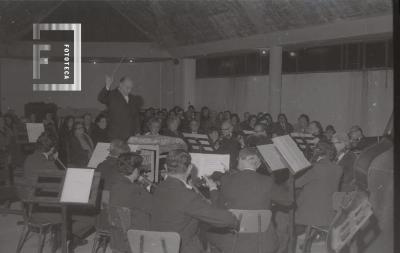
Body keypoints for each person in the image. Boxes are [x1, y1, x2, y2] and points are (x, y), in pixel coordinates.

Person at [150, 149, 238, 253]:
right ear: (190, 168)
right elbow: (226, 220)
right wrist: (235, 217)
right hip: (180, 248)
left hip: (156, 246)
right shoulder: (187, 195)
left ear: (165, 167)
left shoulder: (159, 187)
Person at [207, 148, 292, 253]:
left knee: (207, 230)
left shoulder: (227, 180)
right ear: (258, 164)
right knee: (283, 229)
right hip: (262, 240)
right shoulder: (268, 181)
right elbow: (288, 201)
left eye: (238, 159)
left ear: (242, 160)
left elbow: (217, 208)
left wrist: (213, 189)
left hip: (233, 240)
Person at [109, 152, 153, 253]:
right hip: (136, 240)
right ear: (135, 170)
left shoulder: (115, 186)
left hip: (117, 239)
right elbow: (154, 208)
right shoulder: (136, 190)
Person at [295, 141, 343, 228]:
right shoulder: (338, 168)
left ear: (317, 152)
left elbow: (296, 184)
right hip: (329, 213)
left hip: (312, 214)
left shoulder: (315, 168)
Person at [98, 75, 141, 140]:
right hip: (116, 136)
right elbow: (101, 98)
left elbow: (135, 116)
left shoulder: (133, 98)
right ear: (120, 85)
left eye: (131, 88)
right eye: (127, 87)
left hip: (131, 136)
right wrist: (107, 86)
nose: (129, 90)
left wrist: (137, 132)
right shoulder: (112, 95)